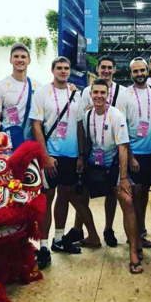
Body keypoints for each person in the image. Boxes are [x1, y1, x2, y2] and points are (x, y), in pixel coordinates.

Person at [30, 57, 100, 270]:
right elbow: (36, 125)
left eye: (66, 68)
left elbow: (79, 125)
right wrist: (45, 156)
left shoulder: (75, 94)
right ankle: (43, 246)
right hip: (51, 155)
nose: (63, 71)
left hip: (71, 156)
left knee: (65, 195)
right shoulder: (42, 93)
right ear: (52, 70)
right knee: (47, 198)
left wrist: (80, 155)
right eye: (59, 68)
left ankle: (58, 239)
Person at [83, 79, 143, 274]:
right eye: (96, 92)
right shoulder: (87, 115)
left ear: (107, 94)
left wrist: (123, 178)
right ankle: (90, 235)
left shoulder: (116, 115)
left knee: (127, 201)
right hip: (95, 166)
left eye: (102, 92)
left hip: (114, 166)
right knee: (76, 194)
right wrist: (82, 160)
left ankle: (133, 252)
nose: (99, 96)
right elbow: (87, 142)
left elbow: (122, 148)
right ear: (91, 94)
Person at [70, 56, 126, 247]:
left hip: (113, 149)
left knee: (111, 195)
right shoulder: (87, 91)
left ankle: (108, 229)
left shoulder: (122, 91)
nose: (106, 70)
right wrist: (82, 154)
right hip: (93, 151)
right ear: (97, 69)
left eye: (110, 67)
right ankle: (79, 228)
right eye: (103, 67)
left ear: (115, 69)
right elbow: (83, 118)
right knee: (81, 191)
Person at [116, 58, 151, 249]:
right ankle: (134, 237)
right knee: (134, 195)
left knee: (144, 192)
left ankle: (140, 232)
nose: (139, 74)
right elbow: (121, 129)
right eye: (135, 71)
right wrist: (130, 157)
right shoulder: (125, 95)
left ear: (147, 71)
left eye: (142, 70)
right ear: (131, 74)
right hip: (133, 153)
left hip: (150, 154)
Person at [0, 43, 41, 150]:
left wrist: (70, 88)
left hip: (31, 144)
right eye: (16, 56)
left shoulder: (38, 87)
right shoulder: (0, 86)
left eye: (23, 57)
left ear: (29, 60)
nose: (19, 60)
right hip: (8, 143)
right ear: (10, 60)